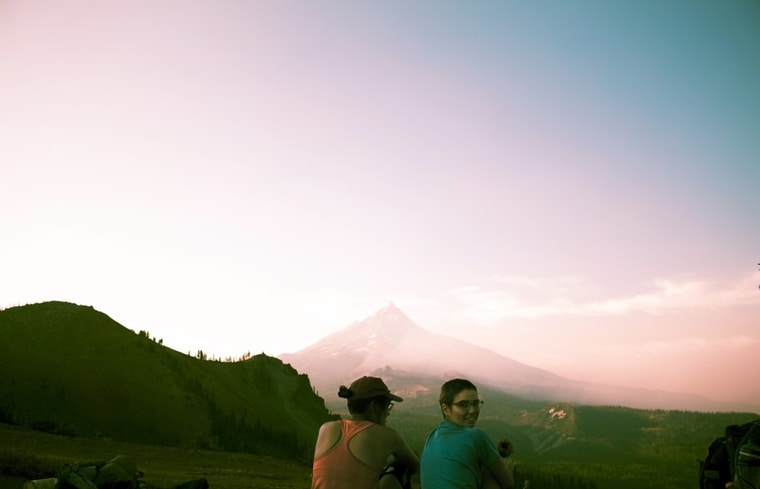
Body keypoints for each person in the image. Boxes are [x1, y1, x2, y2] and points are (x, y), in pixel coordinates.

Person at [311, 376, 420, 489]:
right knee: (399, 468)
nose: (388, 412)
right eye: (387, 406)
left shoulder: (326, 428)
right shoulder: (388, 435)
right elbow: (415, 466)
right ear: (374, 406)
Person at [420, 378, 515, 489]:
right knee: (488, 470)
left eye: (475, 403)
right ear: (446, 409)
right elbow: (509, 484)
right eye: (463, 405)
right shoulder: (476, 436)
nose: (473, 410)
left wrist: (493, 453)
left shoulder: (432, 437)